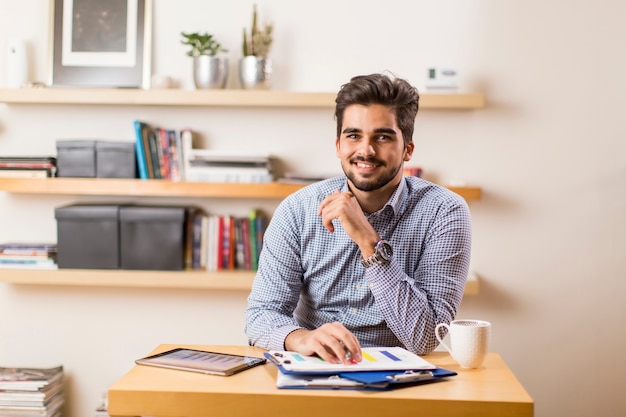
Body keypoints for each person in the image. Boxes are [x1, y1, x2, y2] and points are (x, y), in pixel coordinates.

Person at [245, 72, 471, 365]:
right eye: (354, 136)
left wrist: (368, 241)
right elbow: (261, 315)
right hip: (313, 371)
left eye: (383, 137)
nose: (366, 150)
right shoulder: (297, 210)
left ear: (407, 150)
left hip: (400, 381)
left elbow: (425, 337)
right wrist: (302, 338)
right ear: (338, 145)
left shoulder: (445, 212)